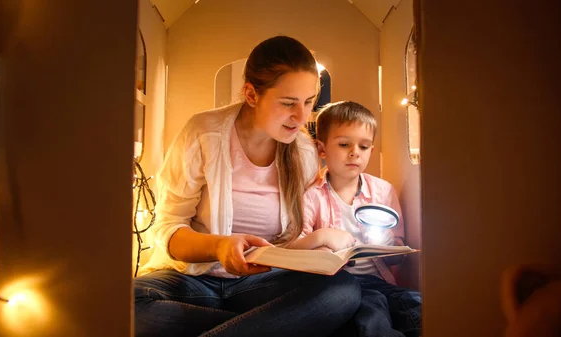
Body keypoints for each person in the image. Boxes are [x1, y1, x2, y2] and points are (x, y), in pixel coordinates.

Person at [133, 36, 361, 337]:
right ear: (251, 94)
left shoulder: (304, 152)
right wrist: (218, 246)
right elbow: (168, 229)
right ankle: (267, 324)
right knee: (130, 304)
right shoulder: (204, 134)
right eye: (288, 103)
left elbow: (285, 246)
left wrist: (320, 242)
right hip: (194, 280)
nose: (302, 117)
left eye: (309, 102)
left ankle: (256, 323)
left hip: (263, 282)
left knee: (343, 292)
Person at [289, 101, 422, 337]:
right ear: (321, 149)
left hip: (379, 280)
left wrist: (386, 242)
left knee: (415, 304)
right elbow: (294, 249)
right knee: (372, 312)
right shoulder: (310, 194)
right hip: (335, 285)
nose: (354, 153)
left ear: (371, 150)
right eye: (344, 144)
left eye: (364, 146)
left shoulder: (382, 191)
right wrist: (320, 243)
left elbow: (397, 256)